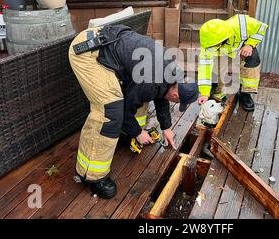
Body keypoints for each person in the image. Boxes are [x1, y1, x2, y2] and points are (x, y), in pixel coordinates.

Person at [68, 24, 198, 199]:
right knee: (110, 111)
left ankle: (125, 132)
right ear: (176, 94)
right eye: (177, 102)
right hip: (89, 53)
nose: (175, 102)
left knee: (139, 99)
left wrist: (166, 127)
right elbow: (126, 107)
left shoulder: (172, 75)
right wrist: (137, 132)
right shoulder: (150, 78)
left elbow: (161, 95)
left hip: (105, 45)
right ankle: (91, 175)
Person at [197, 14, 268, 111]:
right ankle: (219, 91)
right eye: (210, 46)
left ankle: (245, 93)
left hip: (243, 48)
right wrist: (204, 93)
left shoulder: (242, 24)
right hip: (226, 51)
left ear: (222, 39)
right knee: (217, 67)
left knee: (253, 60)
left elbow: (261, 28)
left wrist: (250, 44)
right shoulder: (208, 46)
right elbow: (204, 68)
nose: (211, 48)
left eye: (214, 45)